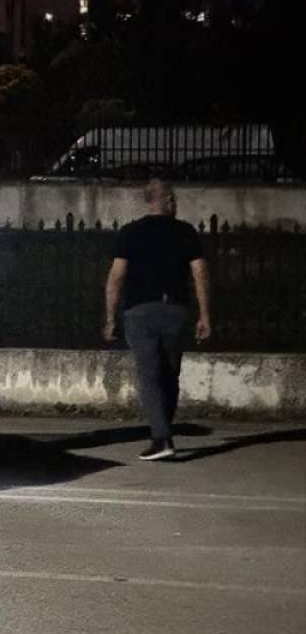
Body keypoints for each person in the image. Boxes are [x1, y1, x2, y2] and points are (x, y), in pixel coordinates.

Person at [103, 179, 211, 461]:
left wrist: (110, 317)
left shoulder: (130, 233)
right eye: (173, 199)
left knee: (149, 376)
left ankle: (162, 438)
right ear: (166, 199)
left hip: (140, 311)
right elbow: (200, 272)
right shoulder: (185, 232)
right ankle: (164, 430)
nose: (176, 204)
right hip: (175, 310)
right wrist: (204, 314)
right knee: (170, 375)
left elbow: (116, 277)